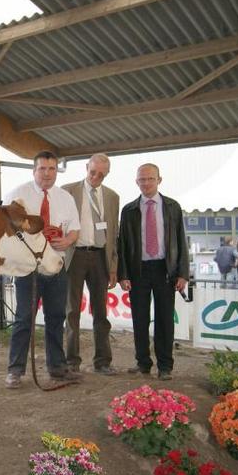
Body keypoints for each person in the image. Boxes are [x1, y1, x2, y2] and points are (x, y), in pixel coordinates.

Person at [4, 151, 81, 389]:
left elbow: (75, 230)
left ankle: (57, 367)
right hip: (28, 268)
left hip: (56, 265)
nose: (47, 174)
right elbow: (5, 229)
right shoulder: (18, 195)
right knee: (24, 318)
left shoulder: (65, 197)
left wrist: (67, 241)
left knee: (56, 318)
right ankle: (15, 371)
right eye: (42, 169)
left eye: (52, 169)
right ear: (34, 170)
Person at [117, 163, 189, 381]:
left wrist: (183, 273)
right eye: (142, 179)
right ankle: (143, 363)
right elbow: (123, 246)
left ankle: (165, 366)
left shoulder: (172, 207)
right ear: (136, 182)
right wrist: (123, 274)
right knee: (139, 319)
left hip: (165, 270)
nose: (146, 183)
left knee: (165, 319)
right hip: (138, 270)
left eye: (150, 178)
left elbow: (180, 241)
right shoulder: (128, 210)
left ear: (159, 180)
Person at [62, 154, 119, 376]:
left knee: (101, 312)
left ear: (107, 173)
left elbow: (114, 233)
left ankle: (103, 361)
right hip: (74, 255)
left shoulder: (113, 197)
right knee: (71, 311)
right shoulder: (67, 191)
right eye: (93, 172)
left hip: (100, 258)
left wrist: (113, 266)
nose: (96, 177)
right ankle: (71, 361)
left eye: (102, 174)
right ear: (86, 167)